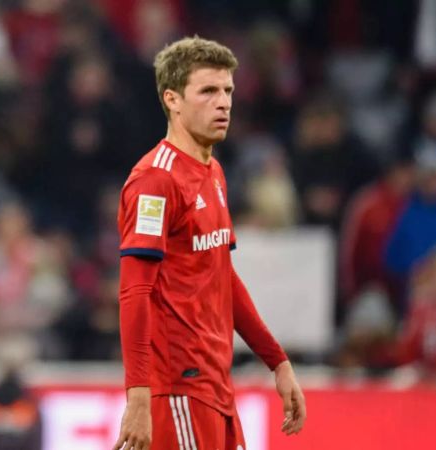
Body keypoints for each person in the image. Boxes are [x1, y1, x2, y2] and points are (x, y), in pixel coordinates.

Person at [112, 37, 306, 450]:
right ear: (173, 99)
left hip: (216, 388)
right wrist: (139, 396)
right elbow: (135, 292)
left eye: (228, 91)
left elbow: (221, 277)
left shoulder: (212, 172)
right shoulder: (155, 181)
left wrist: (277, 361)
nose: (224, 103)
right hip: (178, 390)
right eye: (208, 91)